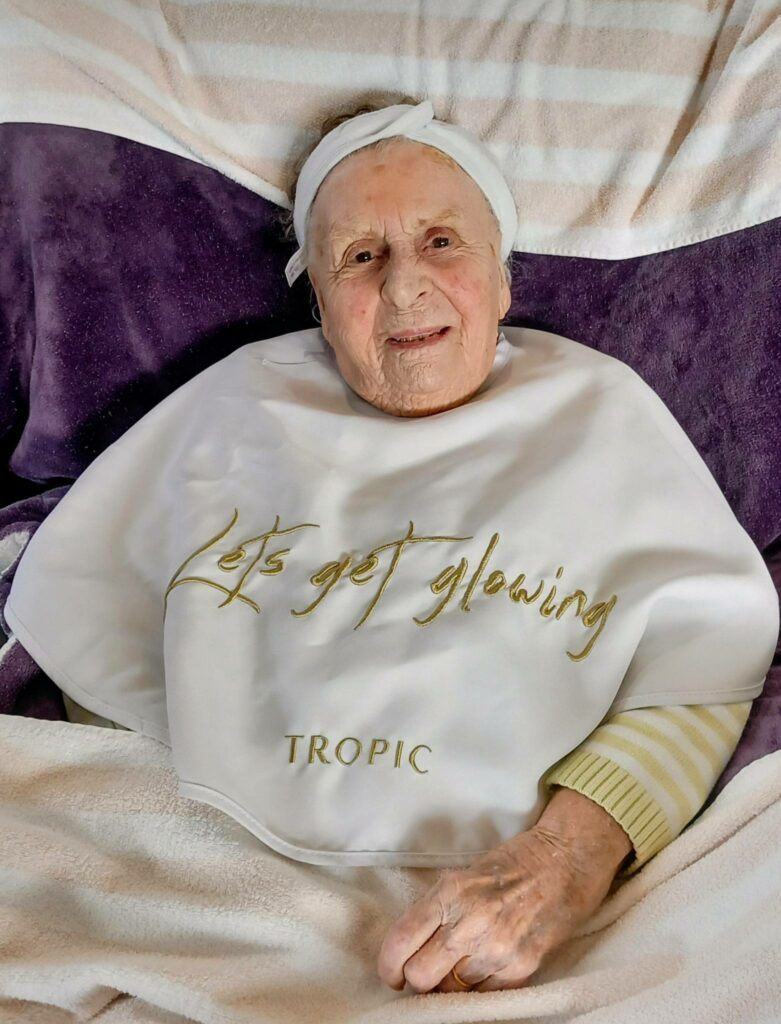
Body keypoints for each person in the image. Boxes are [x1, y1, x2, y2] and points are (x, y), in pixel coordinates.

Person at [5, 99, 778, 998]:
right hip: (209, 868)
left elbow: (703, 661)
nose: (406, 286)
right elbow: (91, 623)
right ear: (320, 304)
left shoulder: (601, 412)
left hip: (535, 889)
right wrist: (184, 833)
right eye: (361, 258)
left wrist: (568, 858)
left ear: (503, 280)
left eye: (443, 242)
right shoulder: (235, 407)